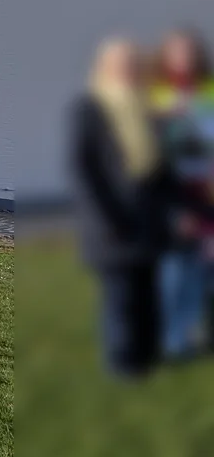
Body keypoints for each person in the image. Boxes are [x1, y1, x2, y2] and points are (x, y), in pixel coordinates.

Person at [73, 38, 171, 375]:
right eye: (121, 66)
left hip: (149, 220)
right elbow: (86, 170)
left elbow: (163, 168)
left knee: (148, 291)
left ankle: (147, 355)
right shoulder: (90, 109)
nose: (129, 71)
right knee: (121, 297)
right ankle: (124, 363)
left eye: (134, 65)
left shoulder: (150, 108)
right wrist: (112, 218)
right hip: (110, 224)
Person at [150, 28, 214, 359]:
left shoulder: (209, 92)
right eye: (177, 53)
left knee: (203, 266)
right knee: (174, 265)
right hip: (173, 194)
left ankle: (189, 332)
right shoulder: (157, 96)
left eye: (189, 52)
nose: (184, 59)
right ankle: (171, 337)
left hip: (207, 192)